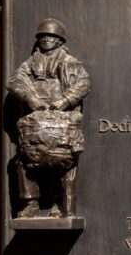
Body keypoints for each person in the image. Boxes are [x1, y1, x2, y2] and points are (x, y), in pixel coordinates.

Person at [8, 18, 90, 218]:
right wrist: (31, 98)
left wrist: (65, 101)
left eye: (51, 36)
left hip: (62, 121)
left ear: (60, 40)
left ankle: (63, 205)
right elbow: (15, 80)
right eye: (43, 36)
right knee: (24, 161)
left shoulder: (69, 62)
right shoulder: (31, 62)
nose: (46, 39)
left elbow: (83, 83)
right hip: (35, 121)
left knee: (64, 162)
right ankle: (31, 204)